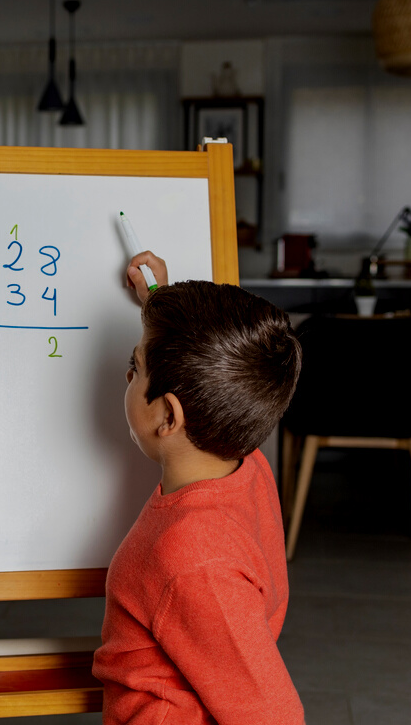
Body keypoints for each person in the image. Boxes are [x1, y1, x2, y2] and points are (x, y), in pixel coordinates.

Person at [93, 252, 305, 724]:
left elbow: (275, 715)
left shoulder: (191, 556)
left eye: (136, 366)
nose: (127, 375)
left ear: (168, 415)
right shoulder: (245, 464)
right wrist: (156, 304)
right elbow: (212, 369)